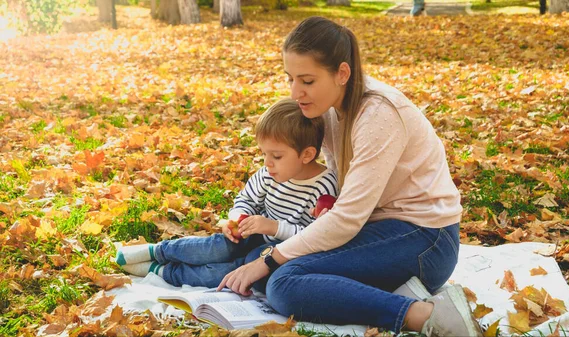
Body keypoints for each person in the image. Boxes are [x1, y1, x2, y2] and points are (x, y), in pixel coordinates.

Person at [217, 16, 484, 337]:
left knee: (283, 283)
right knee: (266, 264)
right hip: (377, 231)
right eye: (290, 79)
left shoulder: (379, 114)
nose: (296, 92)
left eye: (307, 81)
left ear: (342, 73)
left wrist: (272, 258)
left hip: (425, 239)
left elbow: (348, 218)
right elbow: (328, 190)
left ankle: (427, 316)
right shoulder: (326, 109)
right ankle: (396, 292)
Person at [115, 98, 338, 288]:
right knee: (220, 246)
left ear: (307, 154)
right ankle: (158, 252)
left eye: (276, 156)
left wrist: (273, 227)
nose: (267, 163)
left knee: (233, 270)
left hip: (280, 250)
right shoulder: (269, 173)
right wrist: (236, 218)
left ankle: (163, 272)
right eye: (264, 154)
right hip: (255, 234)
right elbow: (247, 199)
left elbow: (315, 237)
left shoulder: (323, 187)